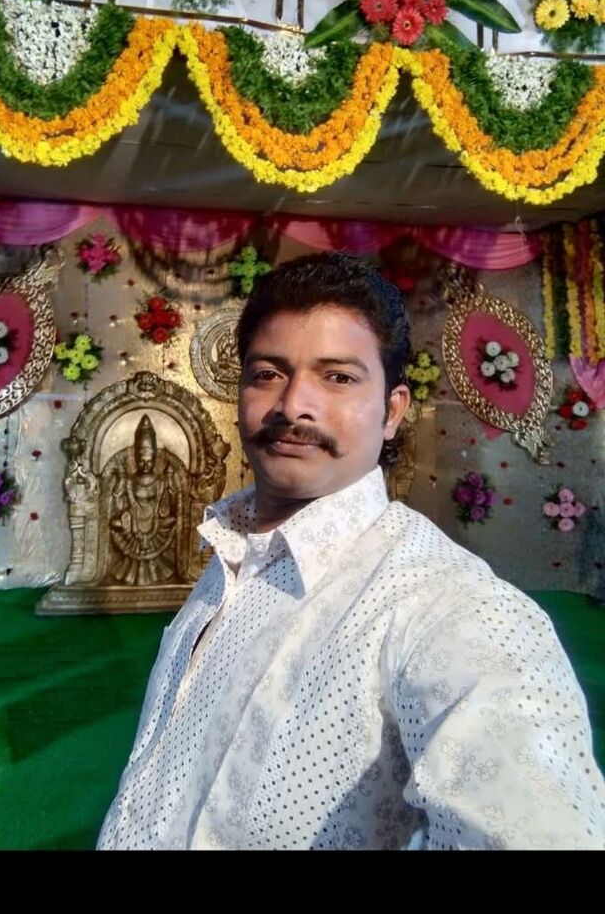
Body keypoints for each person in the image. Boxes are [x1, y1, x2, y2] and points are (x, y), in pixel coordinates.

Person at [97, 252, 605, 850]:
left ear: (393, 411)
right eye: (268, 373)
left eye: (338, 377)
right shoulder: (236, 550)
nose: (293, 405)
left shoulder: (451, 608)